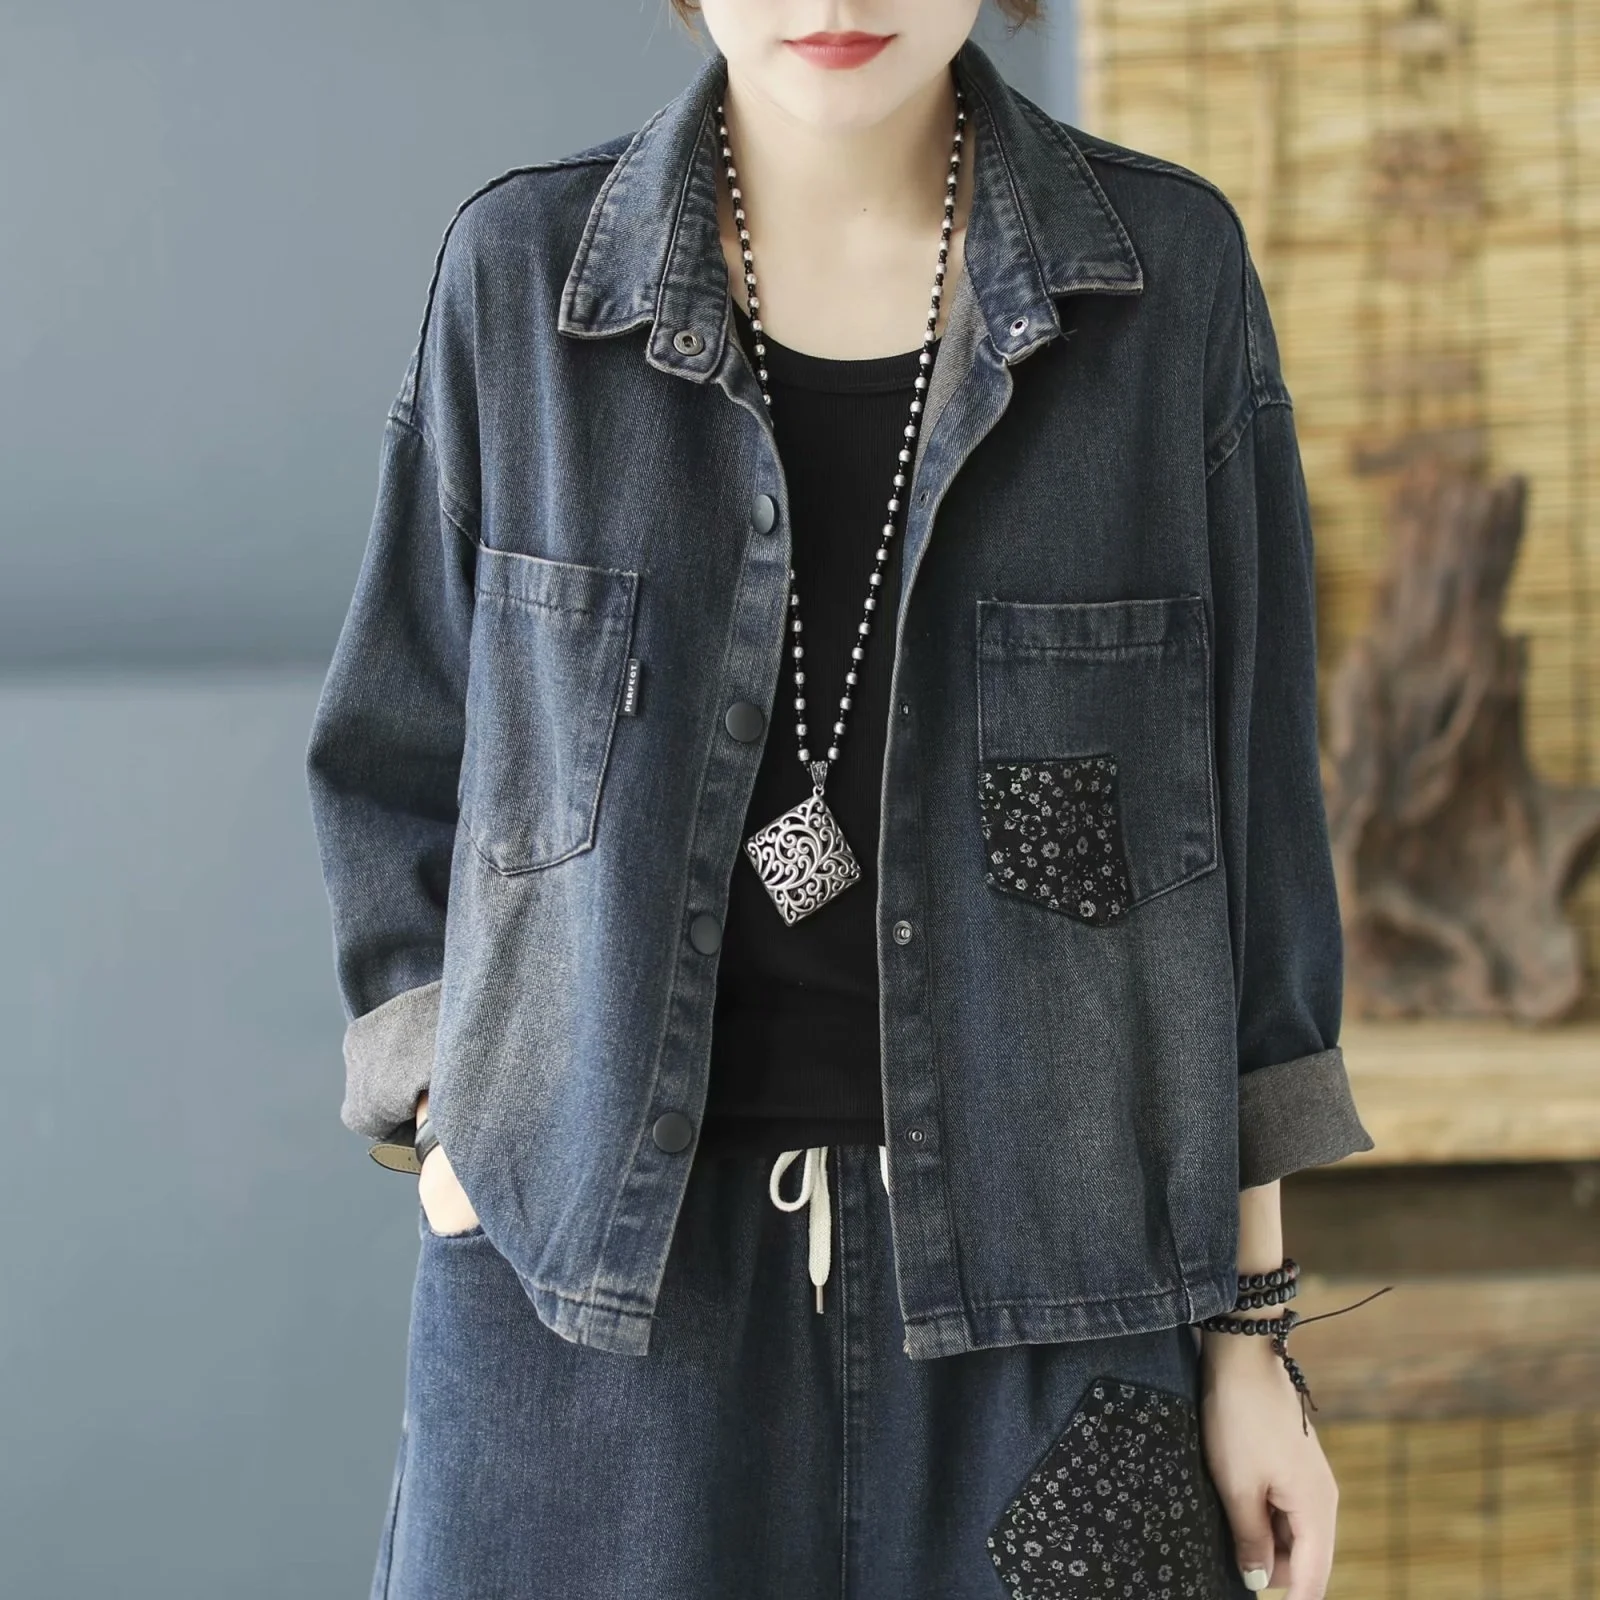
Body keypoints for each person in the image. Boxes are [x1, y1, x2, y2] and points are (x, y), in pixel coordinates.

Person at [304, 2, 1376, 1596]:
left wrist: (1252, 1334)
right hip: (594, 1323)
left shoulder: (1166, 286)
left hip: (1060, 1322)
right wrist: (457, 1139)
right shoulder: (523, 282)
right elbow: (395, 757)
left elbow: (1253, 825)